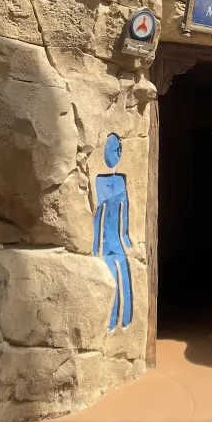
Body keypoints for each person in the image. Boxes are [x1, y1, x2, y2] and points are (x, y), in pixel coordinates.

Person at [92, 133, 133, 330]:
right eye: (115, 149)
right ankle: (110, 323)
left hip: (118, 243)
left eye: (120, 150)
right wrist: (94, 247)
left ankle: (125, 319)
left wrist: (126, 237)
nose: (118, 154)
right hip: (107, 246)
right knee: (112, 282)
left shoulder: (120, 181)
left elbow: (123, 211)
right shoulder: (101, 182)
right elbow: (99, 214)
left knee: (123, 278)